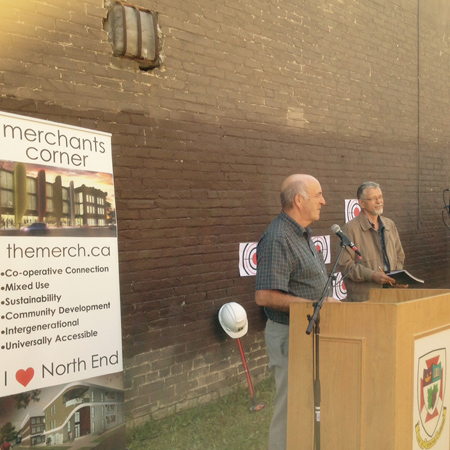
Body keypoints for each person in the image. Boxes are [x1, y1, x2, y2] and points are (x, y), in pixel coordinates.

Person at [255, 174, 341, 450]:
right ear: (299, 200)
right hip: (289, 335)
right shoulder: (277, 237)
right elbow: (264, 296)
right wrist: (314, 305)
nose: (324, 201)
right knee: (290, 406)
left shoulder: (302, 233)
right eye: (318, 195)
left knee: (309, 401)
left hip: (310, 332)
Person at [337, 181, 405, 302]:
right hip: (364, 300)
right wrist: (372, 275)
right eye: (373, 198)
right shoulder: (350, 229)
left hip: (391, 296)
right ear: (361, 203)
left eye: (380, 197)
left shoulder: (390, 224)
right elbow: (345, 265)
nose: (379, 201)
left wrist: (396, 278)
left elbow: (399, 256)